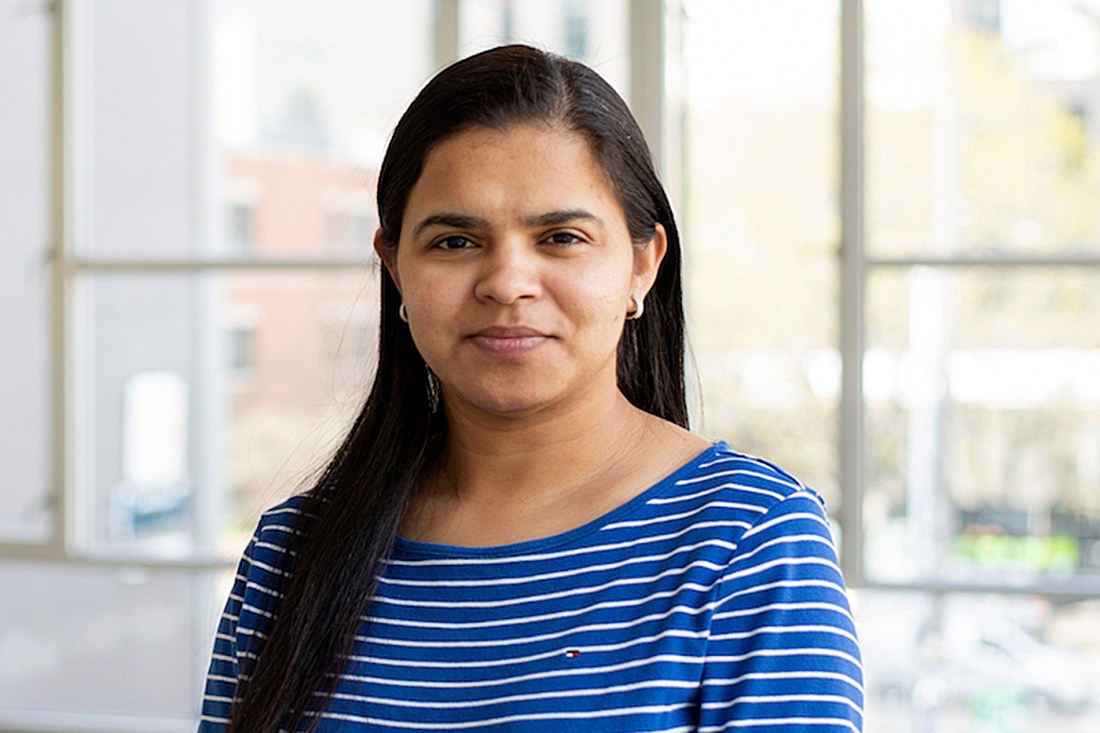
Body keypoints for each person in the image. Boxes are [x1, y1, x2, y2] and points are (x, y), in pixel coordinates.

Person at [199, 44, 863, 732]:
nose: (507, 281)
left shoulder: (750, 542)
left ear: (642, 265)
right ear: (393, 265)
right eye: (455, 241)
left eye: (561, 237)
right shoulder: (290, 554)